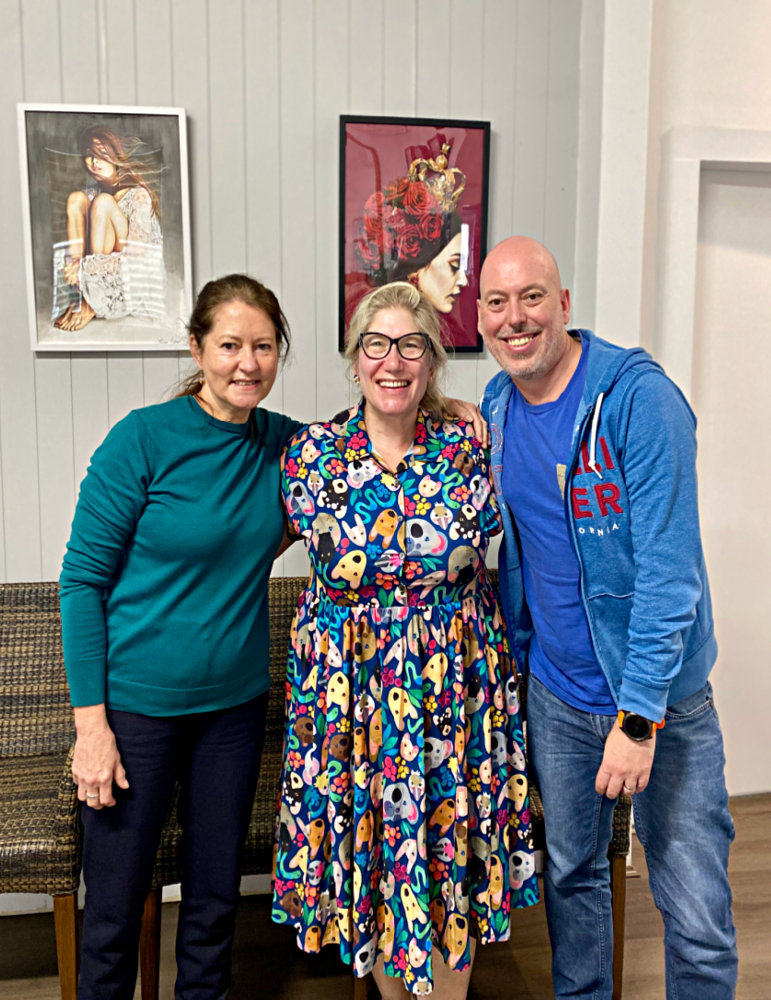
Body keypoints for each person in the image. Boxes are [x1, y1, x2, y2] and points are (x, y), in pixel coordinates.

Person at [61, 271, 487, 1000]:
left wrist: (458, 410)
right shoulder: (142, 441)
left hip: (231, 709)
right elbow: (81, 584)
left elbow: (372, 453)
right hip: (135, 710)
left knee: (213, 902)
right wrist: (90, 726)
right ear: (197, 348)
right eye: (229, 345)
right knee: (113, 905)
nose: (246, 363)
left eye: (262, 347)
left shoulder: (293, 451)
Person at [477, 236, 737, 999]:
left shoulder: (637, 399)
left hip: (661, 704)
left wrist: (636, 719)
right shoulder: (496, 404)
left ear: (563, 305)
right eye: (497, 302)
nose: (515, 317)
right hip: (556, 694)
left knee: (692, 904)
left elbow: (668, 570)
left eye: (532, 297)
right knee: (571, 878)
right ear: (480, 317)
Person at [272, 281, 538, 998]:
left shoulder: (469, 443)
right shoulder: (310, 455)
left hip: (453, 697)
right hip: (351, 707)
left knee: (443, 862)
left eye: (411, 344)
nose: (393, 361)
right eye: (376, 344)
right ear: (355, 357)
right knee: (383, 866)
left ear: (432, 359)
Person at [54, 125, 165, 332]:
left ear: (116, 156)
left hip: (130, 279)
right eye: (89, 155)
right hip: (98, 270)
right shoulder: (91, 193)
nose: (94, 163)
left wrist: (84, 269)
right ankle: (82, 296)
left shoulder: (138, 194)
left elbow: (136, 257)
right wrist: (76, 267)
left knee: (103, 202)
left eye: (102, 155)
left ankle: (91, 302)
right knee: (76, 199)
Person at [348, 142, 469, 331]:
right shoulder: (372, 321)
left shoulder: (455, 333)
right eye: (454, 266)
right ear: (416, 267)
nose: (464, 280)